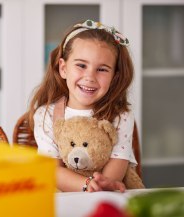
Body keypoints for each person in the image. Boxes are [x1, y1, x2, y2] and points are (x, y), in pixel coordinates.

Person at [27, 19, 136, 192]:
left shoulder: (121, 116)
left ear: (114, 77)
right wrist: (86, 185)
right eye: (81, 65)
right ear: (63, 68)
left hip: (107, 195)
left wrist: (101, 185)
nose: (90, 77)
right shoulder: (46, 115)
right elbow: (53, 171)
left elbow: (118, 163)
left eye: (102, 69)